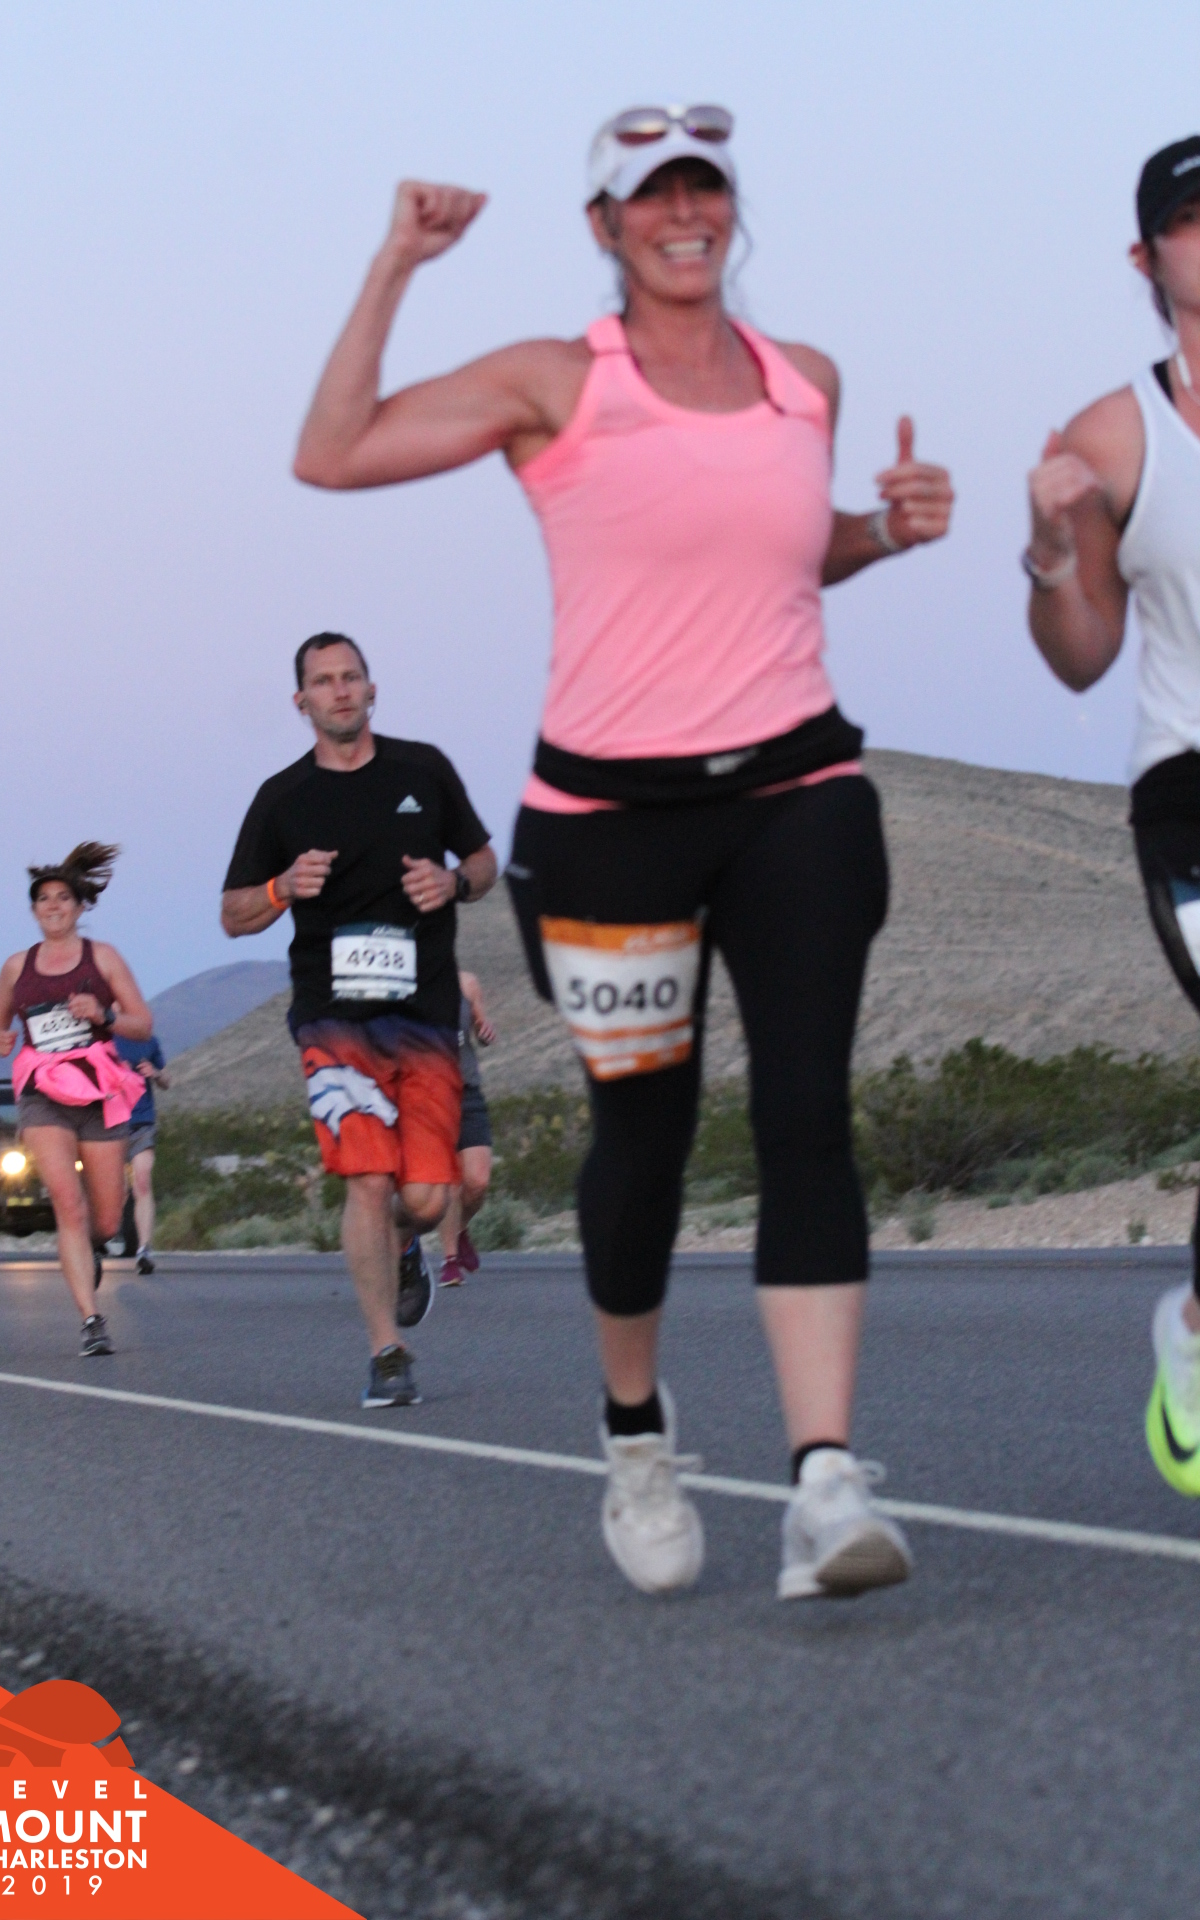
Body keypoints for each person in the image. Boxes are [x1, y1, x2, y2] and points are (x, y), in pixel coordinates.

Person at [292, 106, 954, 1597]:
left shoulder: (802, 379)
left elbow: (783, 547)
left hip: (797, 791)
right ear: (605, 226)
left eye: (702, 186)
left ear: (729, 207)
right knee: (643, 1140)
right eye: (649, 194)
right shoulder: (556, 379)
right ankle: (639, 1440)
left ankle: (823, 1480)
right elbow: (331, 454)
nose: (681, 212)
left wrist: (881, 530)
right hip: (606, 828)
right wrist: (398, 260)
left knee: (805, 1114)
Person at [1024, 136, 1200, 1497]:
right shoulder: (1108, 439)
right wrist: (1048, 553)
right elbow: (1079, 654)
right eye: (1190, 221)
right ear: (1145, 257)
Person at [220, 633, 497, 1408]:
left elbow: (482, 861)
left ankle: (404, 1246)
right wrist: (280, 887)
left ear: (372, 689)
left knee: (428, 1199)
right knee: (368, 1180)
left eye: (351, 677)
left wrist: (454, 883)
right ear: (301, 701)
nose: (339, 691)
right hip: (334, 1019)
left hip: (425, 1014)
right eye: (323, 681)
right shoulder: (282, 797)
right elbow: (232, 914)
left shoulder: (424, 770)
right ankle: (386, 1352)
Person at [0, 845, 152, 1357]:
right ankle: (91, 1320)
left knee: (106, 1220)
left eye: (63, 897)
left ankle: (91, 1250)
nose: (53, 905)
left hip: (98, 1090)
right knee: (68, 1204)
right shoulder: (17, 966)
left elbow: (142, 1025)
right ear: (34, 910)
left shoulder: (104, 958)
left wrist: (102, 1014)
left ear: (80, 907)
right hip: (42, 1091)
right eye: (43, 899)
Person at [438, 969, 496, 1287]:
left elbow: (480, 1028)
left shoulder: (467, 983)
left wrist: (485, 1032)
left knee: (477, 1182)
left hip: (468, 1092)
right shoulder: (409, 986)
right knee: (449, 1181)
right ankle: (449, 1261)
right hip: (433, 1097)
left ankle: (460, 1230)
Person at [113, 1032, 169, 1274]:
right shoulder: (101, 1037)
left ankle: (144, 1248)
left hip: (142, 1123)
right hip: (110, 1123)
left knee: (142, 1182)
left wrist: (155, 1073)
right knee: (116, 1191)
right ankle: (99, 1241)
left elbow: (166, 1080)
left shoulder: (147, 1040)